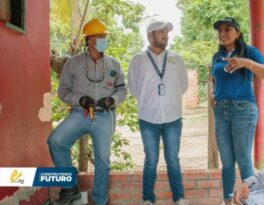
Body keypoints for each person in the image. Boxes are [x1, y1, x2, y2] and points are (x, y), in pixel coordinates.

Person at [47, 18, 126, 205]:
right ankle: (70, 187)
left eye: (105, 36)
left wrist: (112, 100)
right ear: (89, 39)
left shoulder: (114, 63)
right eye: (100, 36)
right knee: (56, 141)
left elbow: (122, 90)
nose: (103, 39)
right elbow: (63, 91)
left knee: (102, 161)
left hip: (105, 116)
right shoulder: (72, 63)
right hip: (79, 114)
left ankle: (100, 200)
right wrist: (79, 100)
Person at [210, 17, 264, 205]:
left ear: (237, 32)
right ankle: (227, 202)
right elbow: (213, 78)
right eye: (220, 30)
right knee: (227, 162)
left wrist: (247, 63)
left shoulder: (249, 51)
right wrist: (213, 93)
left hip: (243, 111)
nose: (222, 34)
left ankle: (252, 201)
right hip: (221, 112)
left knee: (244, 160)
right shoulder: (216, 56)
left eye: (227, 29)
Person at [128, 21, 189, 205]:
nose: (166, 35)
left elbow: (183, 85)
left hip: (173, 118)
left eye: (166, 32)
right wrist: (151, 102)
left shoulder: (176, 58)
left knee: (172, 159)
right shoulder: (138, 60)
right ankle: (147, 199)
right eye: (161, 32)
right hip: (148, 119)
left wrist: (168, 100)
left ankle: (179, 198)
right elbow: (134, 88)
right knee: (151, 160)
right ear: (149, 36)